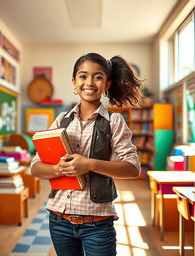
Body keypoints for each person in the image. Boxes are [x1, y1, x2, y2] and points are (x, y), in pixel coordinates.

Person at [31, 52, 142, 256]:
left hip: (97, 224)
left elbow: (133, 168)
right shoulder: (61, 120)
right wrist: (57, 169)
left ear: (107, 84)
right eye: (83, 76)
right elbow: (36, 166)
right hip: (58, 220)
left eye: (98, 77)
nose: (89, 82)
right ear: (74, 83)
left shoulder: (113, 122)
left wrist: (89, 164)